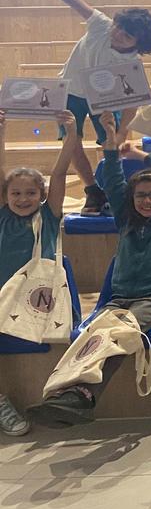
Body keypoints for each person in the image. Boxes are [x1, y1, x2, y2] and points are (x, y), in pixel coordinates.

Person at [26, 114, 151, 427]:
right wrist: (111, 147)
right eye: (141, 195)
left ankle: (82, 396)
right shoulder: (126, 220)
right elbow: (113, 183)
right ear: (132, 200)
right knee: (91, 334)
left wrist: (141, 155)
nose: (148, 200)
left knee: (118, 335)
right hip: (119, 299)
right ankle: (61, 395)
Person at [28, 0, 151, 215]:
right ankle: (92, 190)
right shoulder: (101, 24)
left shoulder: (132, 64)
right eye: (119, 27)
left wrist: (121, 134)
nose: (118, 34)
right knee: (71, 140)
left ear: (138, 43)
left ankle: (113, 187)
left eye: (127, 36)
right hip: (71, 91)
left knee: (110, 140)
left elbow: (131, 104)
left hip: (104, 100)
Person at [0, 108, 75, 435]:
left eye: (30, 193)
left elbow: (59, 174)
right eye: (15, 193)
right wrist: (2, 132)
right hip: (4, 300)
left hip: (38, 302)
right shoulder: (3, 216)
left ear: (42, 196)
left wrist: (71, 134)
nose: (22, 198)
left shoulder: (48, 216)